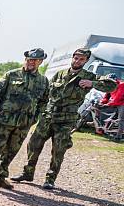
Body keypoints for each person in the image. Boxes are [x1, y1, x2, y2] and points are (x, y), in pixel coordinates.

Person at [12, 49, 117, 189]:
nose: (77, 61)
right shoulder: (60, 74)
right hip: (48, 116)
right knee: (33, 144)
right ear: (72, 58)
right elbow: (46, 94)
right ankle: (28, 173)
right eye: (76, 58)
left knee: (58, 149)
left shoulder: (89, 76)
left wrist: (92, 84)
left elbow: (112, 86)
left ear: (86, 61)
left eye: (81, 59)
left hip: (66, 120)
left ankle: (50, 179)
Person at [0, 48, 49, 190]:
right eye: (28, 59)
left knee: (11, 151)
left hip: (23, 124)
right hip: (4, 120)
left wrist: (34, 118)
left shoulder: (43, 81)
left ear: (40, 62)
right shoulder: (11, 75)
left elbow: (44, 102)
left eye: (34, 60)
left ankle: (1, 178)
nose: (30, 62)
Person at [97, 75, 124, 141]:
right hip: (115, 102)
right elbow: (106, 97)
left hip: (122, 103)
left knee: (121, 119)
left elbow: (118, 98)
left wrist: (107, 104)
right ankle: (103, 129)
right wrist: (101, 102)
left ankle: (118, 137)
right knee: (102, 110)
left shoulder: (121, 85)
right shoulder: (110, 86)